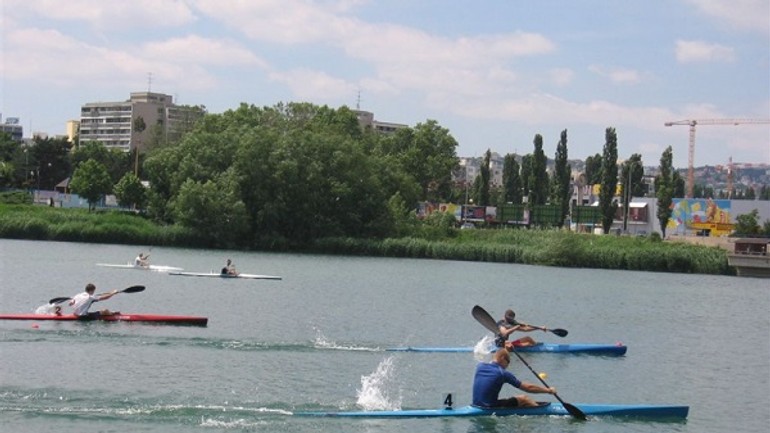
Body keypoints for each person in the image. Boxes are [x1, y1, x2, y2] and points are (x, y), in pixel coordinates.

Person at [472, 348, 556, 408]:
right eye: (508, 362)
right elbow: (528, 388)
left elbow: (498, 350)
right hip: (489, 407)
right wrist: (548, 390)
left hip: (476, 405)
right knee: (524, 398)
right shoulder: (502, 373)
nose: (507, 366)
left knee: (516, 399)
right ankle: (539, 412)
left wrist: (506, 347)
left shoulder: (480, 366)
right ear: (502, 359)